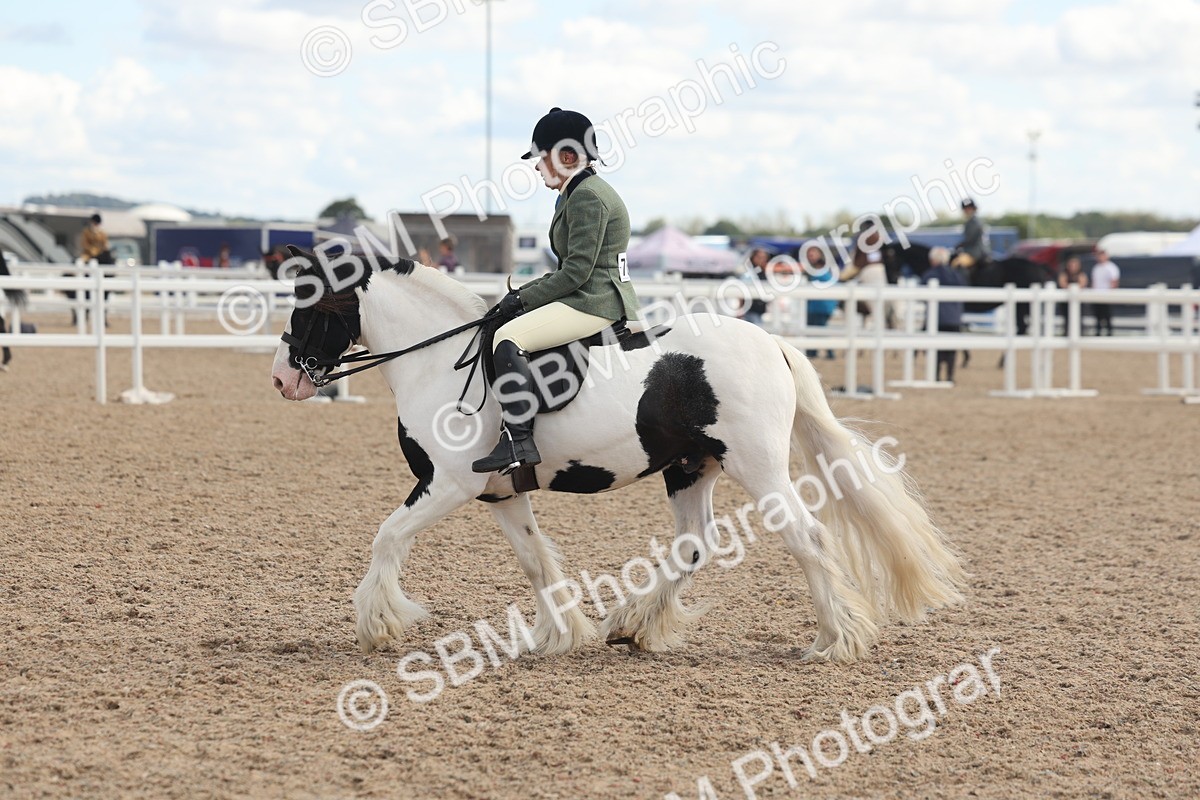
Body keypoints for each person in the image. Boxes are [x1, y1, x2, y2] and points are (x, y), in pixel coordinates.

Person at [472, 107, 639, 474]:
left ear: (566, 156)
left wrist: (523, 298)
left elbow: (577, 272)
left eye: (541, 158)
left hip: (595, 300)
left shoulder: (588, 197)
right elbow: (568, 269)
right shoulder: (571, 193)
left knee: (508, 337)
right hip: (584, 293)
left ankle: (519, 440)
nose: (536, 167)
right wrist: (522, 293)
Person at [923, 246, 966, 384]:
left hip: (937, 319)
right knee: (951, 350)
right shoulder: (956, 274)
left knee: (935, 350)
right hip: (954, 319)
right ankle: (950, 376)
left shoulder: (930, 274)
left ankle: (935, 376)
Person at [802, 246, 837, 359]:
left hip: (820, 306)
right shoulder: (822, 269)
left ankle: (823, 352)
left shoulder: (820, 270)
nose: (810, 257)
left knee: (818, 329)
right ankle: (814, 352)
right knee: (818, 329)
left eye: (813, 254)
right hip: (820, 306)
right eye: (809, 255)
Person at [951, 199, 990, 269]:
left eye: (969, 208)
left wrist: (957, 246)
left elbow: (969, 240)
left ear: (973, 209)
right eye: (965, 208)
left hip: (976, 253)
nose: (967, 210)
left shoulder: (973, 222)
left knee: (956, 264)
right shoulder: (976, 221)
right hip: (979, 250)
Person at [1090, 248, 1120, 336]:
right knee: (1097, 315)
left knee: (1107, 315)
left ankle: (1109, 332)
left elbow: (1114, 281)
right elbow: (1094, 282)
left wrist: (1111, 293)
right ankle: (1098, 331)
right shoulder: (1096, 268)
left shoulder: (1111, 267)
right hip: (1096, 294)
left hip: (1106, 295)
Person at [1057, 256, 1089, 333]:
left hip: (1079, 300)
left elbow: (1083, 283)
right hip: (1066, 301)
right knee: (1067, 318)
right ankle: (1067, 332)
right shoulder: (1064, 274)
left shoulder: (1081, 274)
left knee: (1079, 317)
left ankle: (1079, 333)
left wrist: (1072, 288)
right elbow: (1062, 283)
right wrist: (1072, 288)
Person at [739, 248, 771, 326]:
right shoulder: (749, 273)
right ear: (753, 258)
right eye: (759, 257)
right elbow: (741, 293)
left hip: (761, 309)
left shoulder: (764, 272)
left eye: (764, 258)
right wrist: (741, 309)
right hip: (750, 309)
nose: (762, 260)